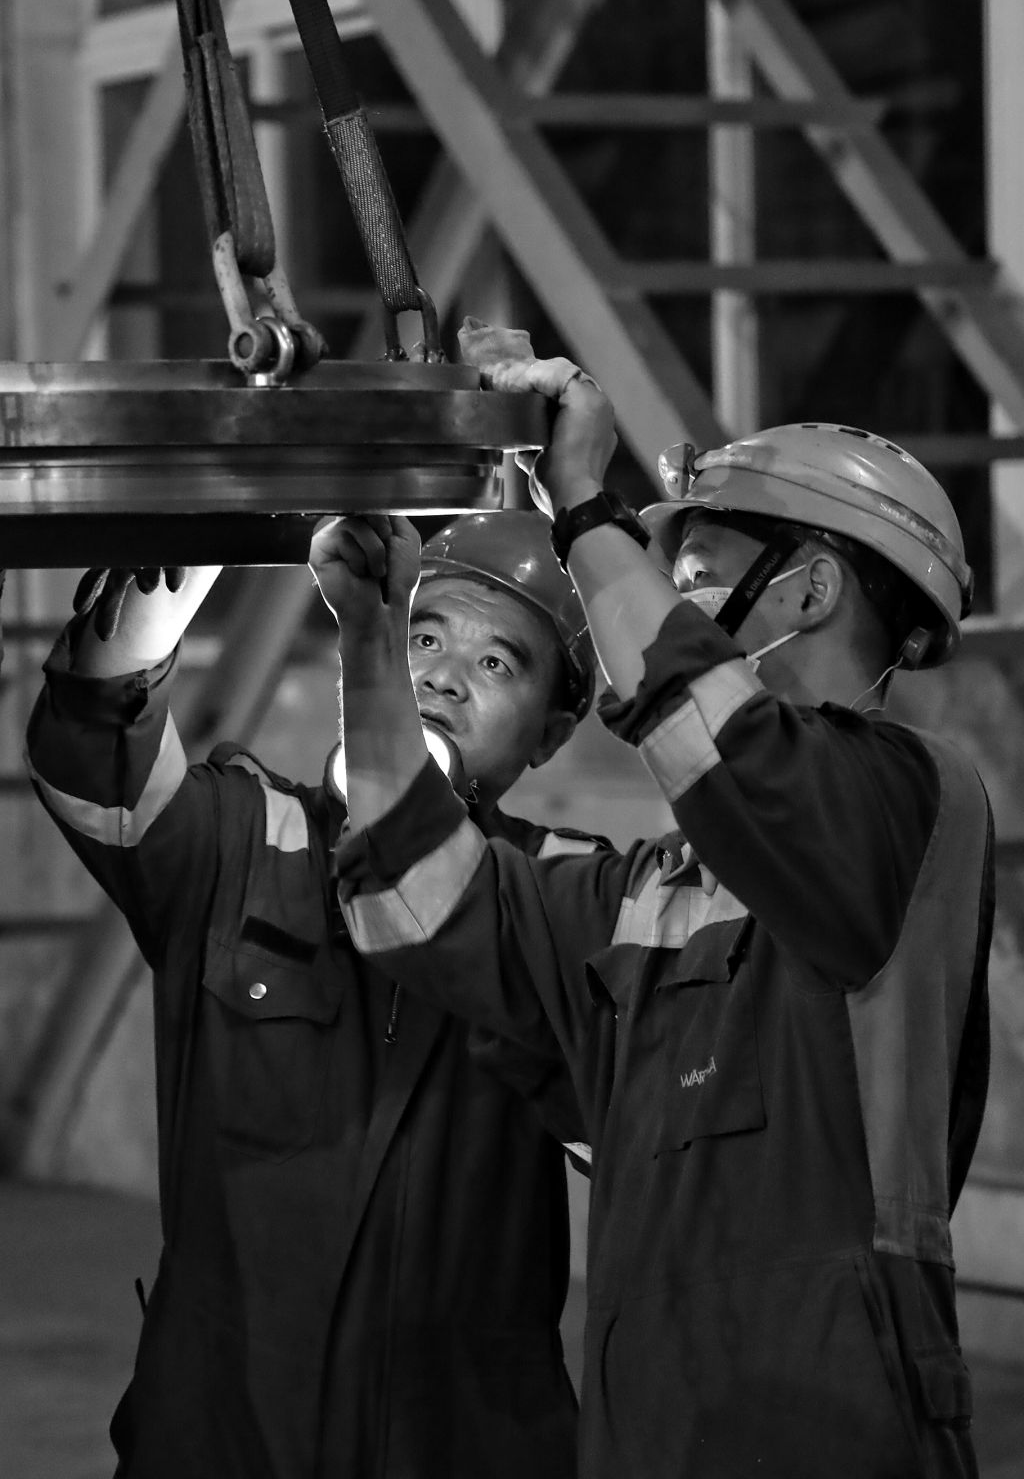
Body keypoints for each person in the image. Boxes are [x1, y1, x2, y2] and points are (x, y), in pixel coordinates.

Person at [323, 325, 993, 1479]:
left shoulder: (913, 801)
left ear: (812, 587)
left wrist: (584, 506)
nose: (663, 607)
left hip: (834, 1425)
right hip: (652, 1430)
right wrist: (372, 642)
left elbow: (720, 738)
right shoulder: (647, 895)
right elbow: (408, 898)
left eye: (692, 577)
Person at [25, 511, 603, 1479]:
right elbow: (92, 751)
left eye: (498, 663)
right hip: (224, 1438)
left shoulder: (559, 901)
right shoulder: (242, 840)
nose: (442, 679)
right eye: (421, 637)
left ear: (550, 733)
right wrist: (197, 529)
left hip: (462, 1444)